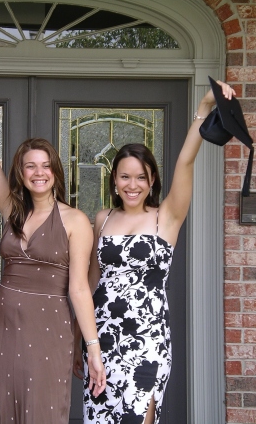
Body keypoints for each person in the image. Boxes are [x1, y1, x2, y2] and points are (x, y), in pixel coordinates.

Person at [73, 80, 235, 424]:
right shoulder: (102, 219)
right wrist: (82, 339)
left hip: (147, 341)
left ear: (152, 181)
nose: (132, 185)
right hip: (101, 340)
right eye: (124, 177)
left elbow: (186, 163)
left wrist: (204, 109)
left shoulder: (167, 217)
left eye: (141, 178)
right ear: (114, 180)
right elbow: (89, 284)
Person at [0, 62, 106, 424]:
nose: (38, 172)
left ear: (55, 171)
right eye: (30, 166)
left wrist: (91, 347)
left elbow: (80, 289)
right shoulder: (12, 208)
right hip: (3, 322)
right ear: (21, 173)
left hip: (48, 328)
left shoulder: (75, 221)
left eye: (45, 165)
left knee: (43, 409)